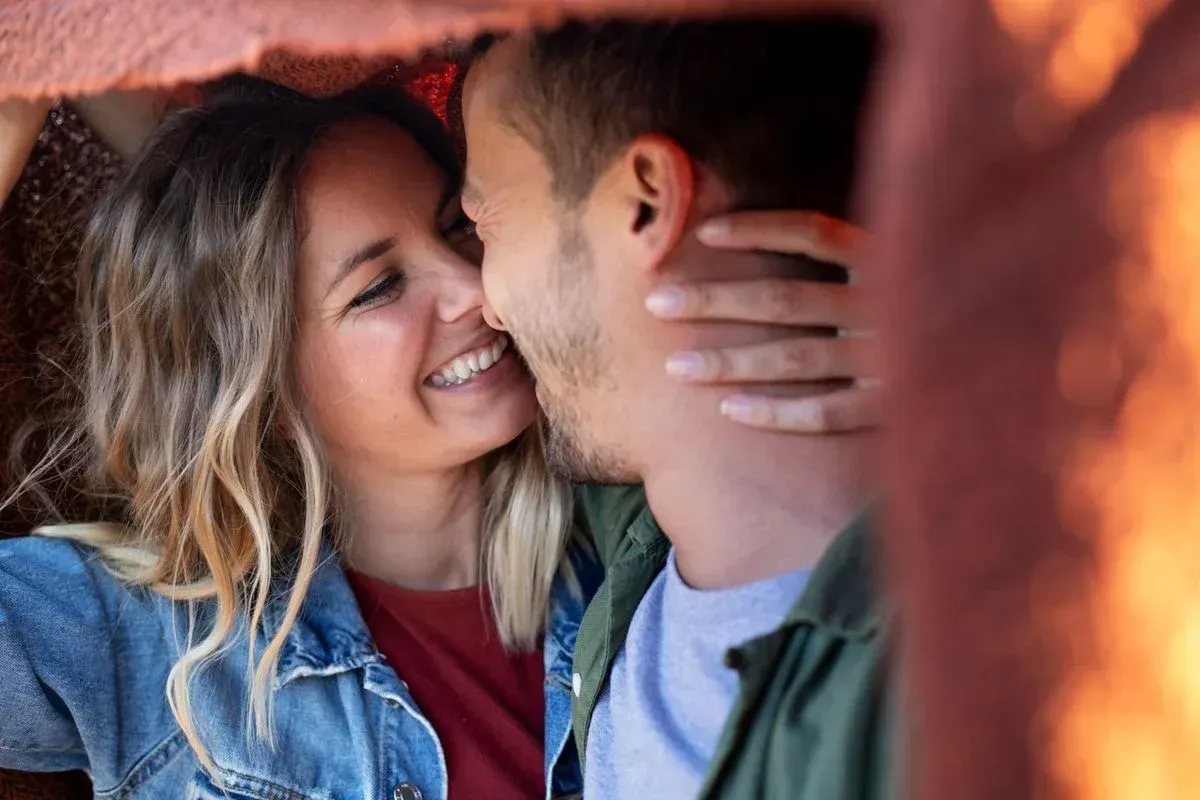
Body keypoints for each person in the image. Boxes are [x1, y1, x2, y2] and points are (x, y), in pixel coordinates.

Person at [0, 73, 864, 798]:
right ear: (255, 379)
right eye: (379, 288)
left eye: (463, 229)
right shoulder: (141, 632)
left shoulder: (636, 541)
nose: (474, 290)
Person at [462, 15, 892, 799]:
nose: (484, 306)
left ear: (648, 201)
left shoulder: (955, 675)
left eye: (485, 222)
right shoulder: (638, 535)